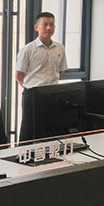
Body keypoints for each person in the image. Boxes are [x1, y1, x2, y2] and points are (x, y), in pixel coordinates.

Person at [15, 11, 68, 142]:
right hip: (33, 95)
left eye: (52, 24)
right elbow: (19, 75)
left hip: (53, 94)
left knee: (51, 130)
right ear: (36, 27)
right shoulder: (28, 49)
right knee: (30, 130)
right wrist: (31, 88)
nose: (49, 28)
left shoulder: (60, 48)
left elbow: (61, 71)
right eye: (45, 24)